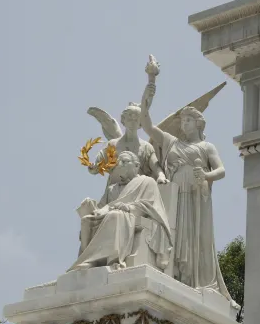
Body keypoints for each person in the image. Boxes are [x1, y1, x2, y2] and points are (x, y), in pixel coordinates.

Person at [140, 82, 231, 300]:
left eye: (188, 120)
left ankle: (194, 279)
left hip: (197, 196)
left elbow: (221, 170)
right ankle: (176, 274)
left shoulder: (207, 147)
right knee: (175, 232)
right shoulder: (171, 142)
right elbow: (147, 125)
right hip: (175, 194)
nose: (184, 124)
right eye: (182, 120)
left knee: (195, 236)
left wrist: (207, 176)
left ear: (198, 123)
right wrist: (150, 85)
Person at [68, 151, 172, 272]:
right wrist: (91, 206)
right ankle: (87, 260)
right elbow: (101, 208)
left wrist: (129, 207)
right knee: (87, 220)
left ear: (137, 165)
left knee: (114, 215)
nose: (120, 164)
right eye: (119, 162)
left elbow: (150, 205)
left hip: (128, 214)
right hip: (109, 215)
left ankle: (110, 260)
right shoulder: (112, 189)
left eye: (125, 161)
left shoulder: (147, 182)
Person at [88, 103, 169, 185]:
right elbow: (97, 166)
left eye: (136, 119)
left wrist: (161, 176)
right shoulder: (113, 144)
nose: (133, 121)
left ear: (140, 124)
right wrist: (93, 168)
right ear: (123, 120)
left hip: (137, 187)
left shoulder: (147, 147)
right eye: (130, 118)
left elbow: (156, 167)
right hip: (116, 187)